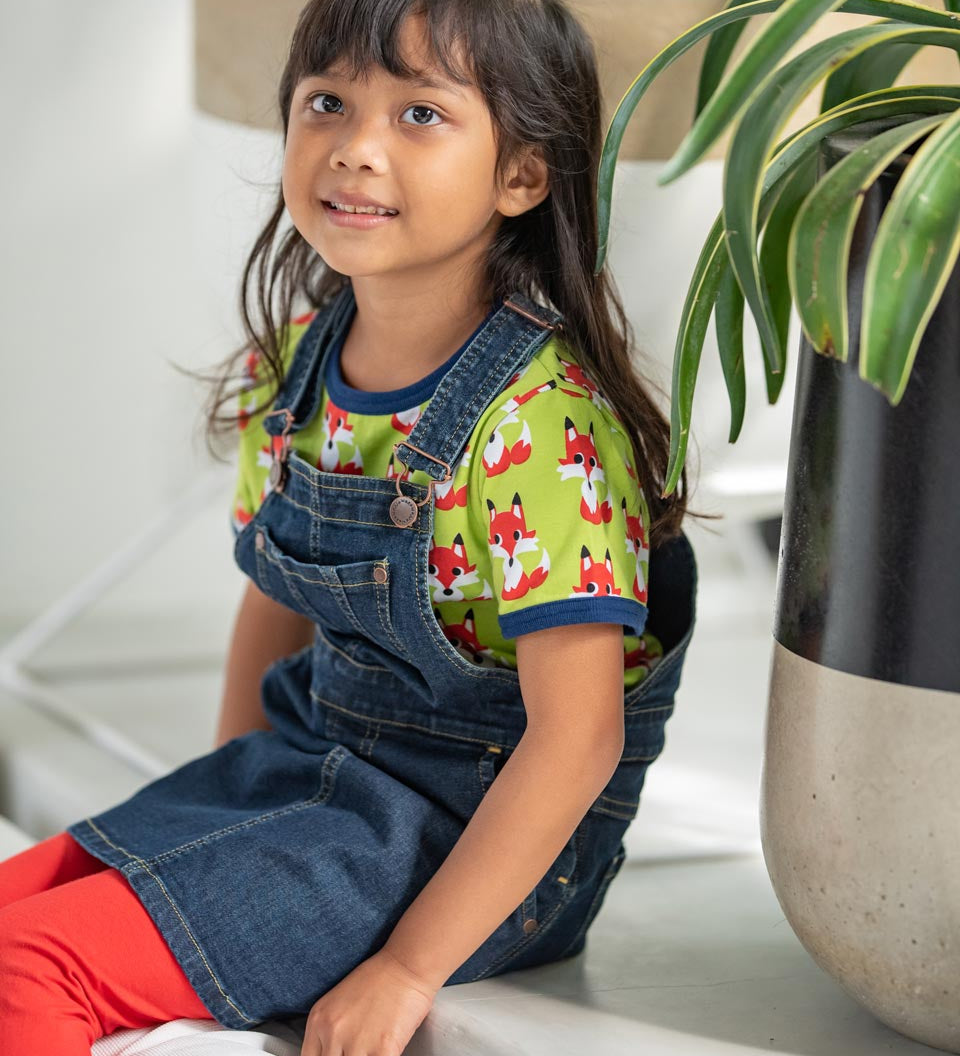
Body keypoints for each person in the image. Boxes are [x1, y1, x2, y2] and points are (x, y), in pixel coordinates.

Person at [0, 1, 704, 1052]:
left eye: (421, 114)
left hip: (475, 838)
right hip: (312, 776)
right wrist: (222, 836)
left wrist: (410, 966)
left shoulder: (539, 427)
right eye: (327, 102)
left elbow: (579, 737)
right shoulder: (296, 362)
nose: (356, 150)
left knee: (30, 971)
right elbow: (274, 601)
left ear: (522, 175)